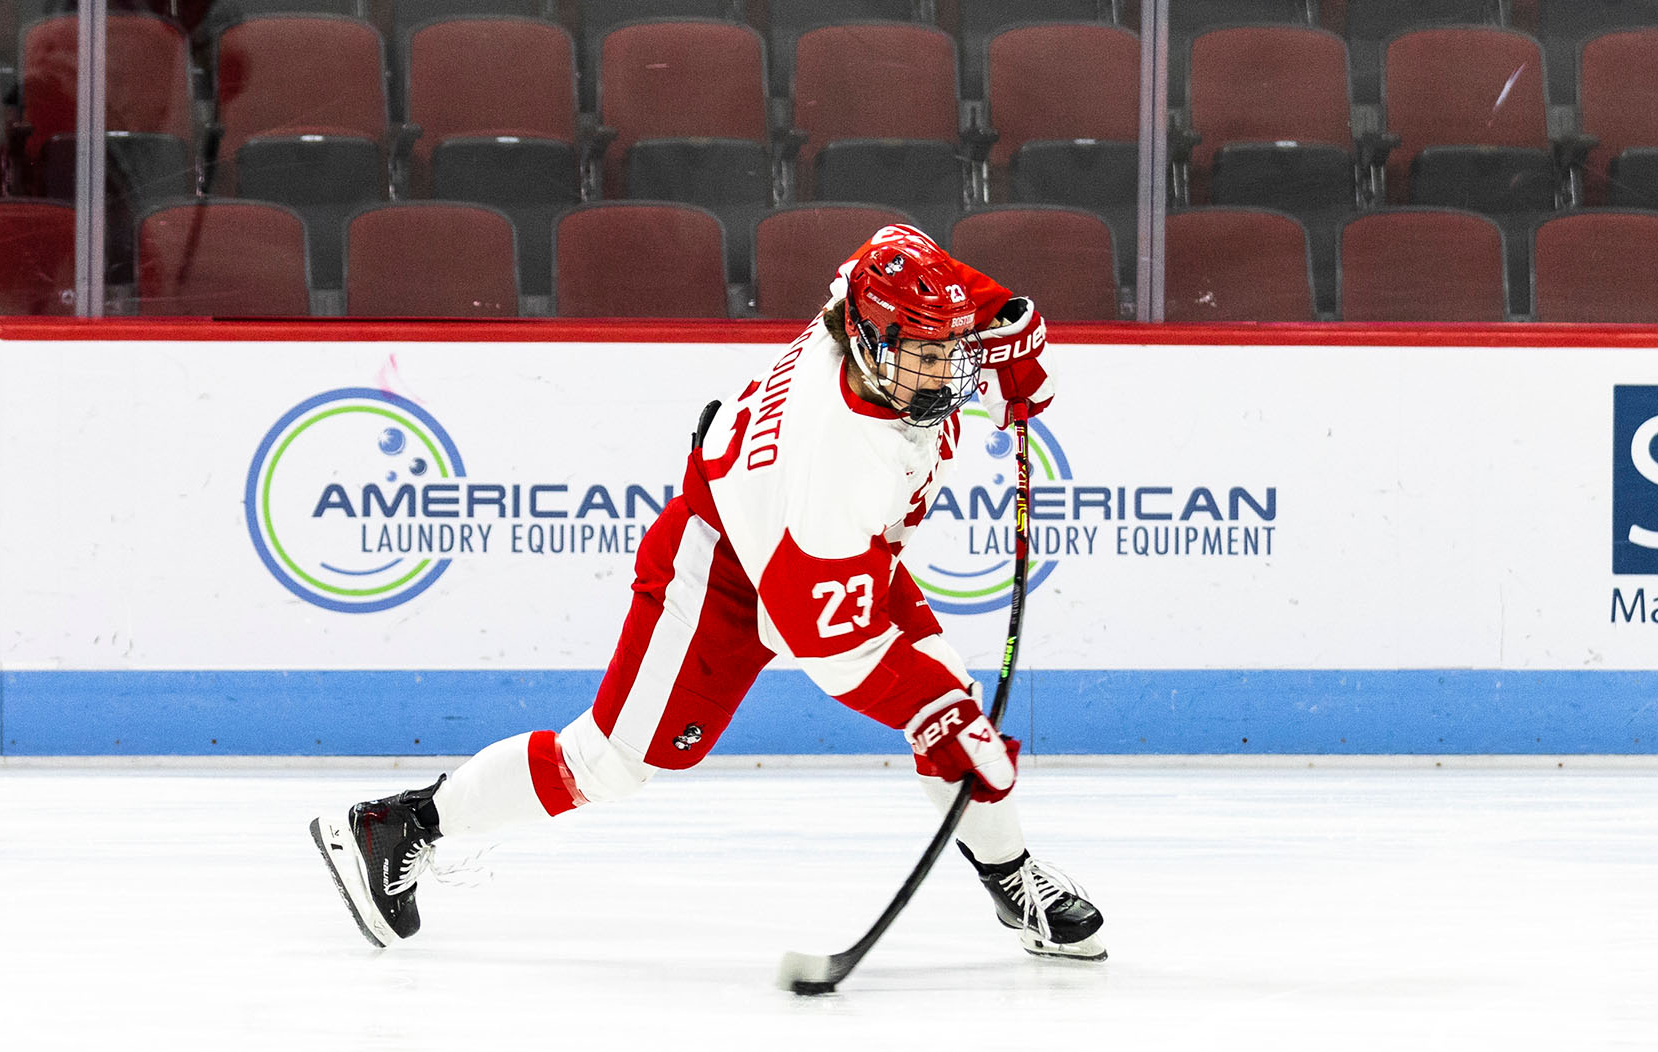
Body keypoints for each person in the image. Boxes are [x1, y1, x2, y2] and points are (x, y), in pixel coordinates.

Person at [309, 226, 1105, 963]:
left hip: (826, 551)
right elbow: (821, 643)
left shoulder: (864, 300)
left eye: (950, 350)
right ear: (868, 344)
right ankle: (399, 824)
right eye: (925, 356)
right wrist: (927, 705)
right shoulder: (839, 461)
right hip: (721, 569)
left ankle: (1011, 877)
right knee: (609, 761)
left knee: (951, 714)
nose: (946, 373)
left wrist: (1006, 324)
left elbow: (919, 264)